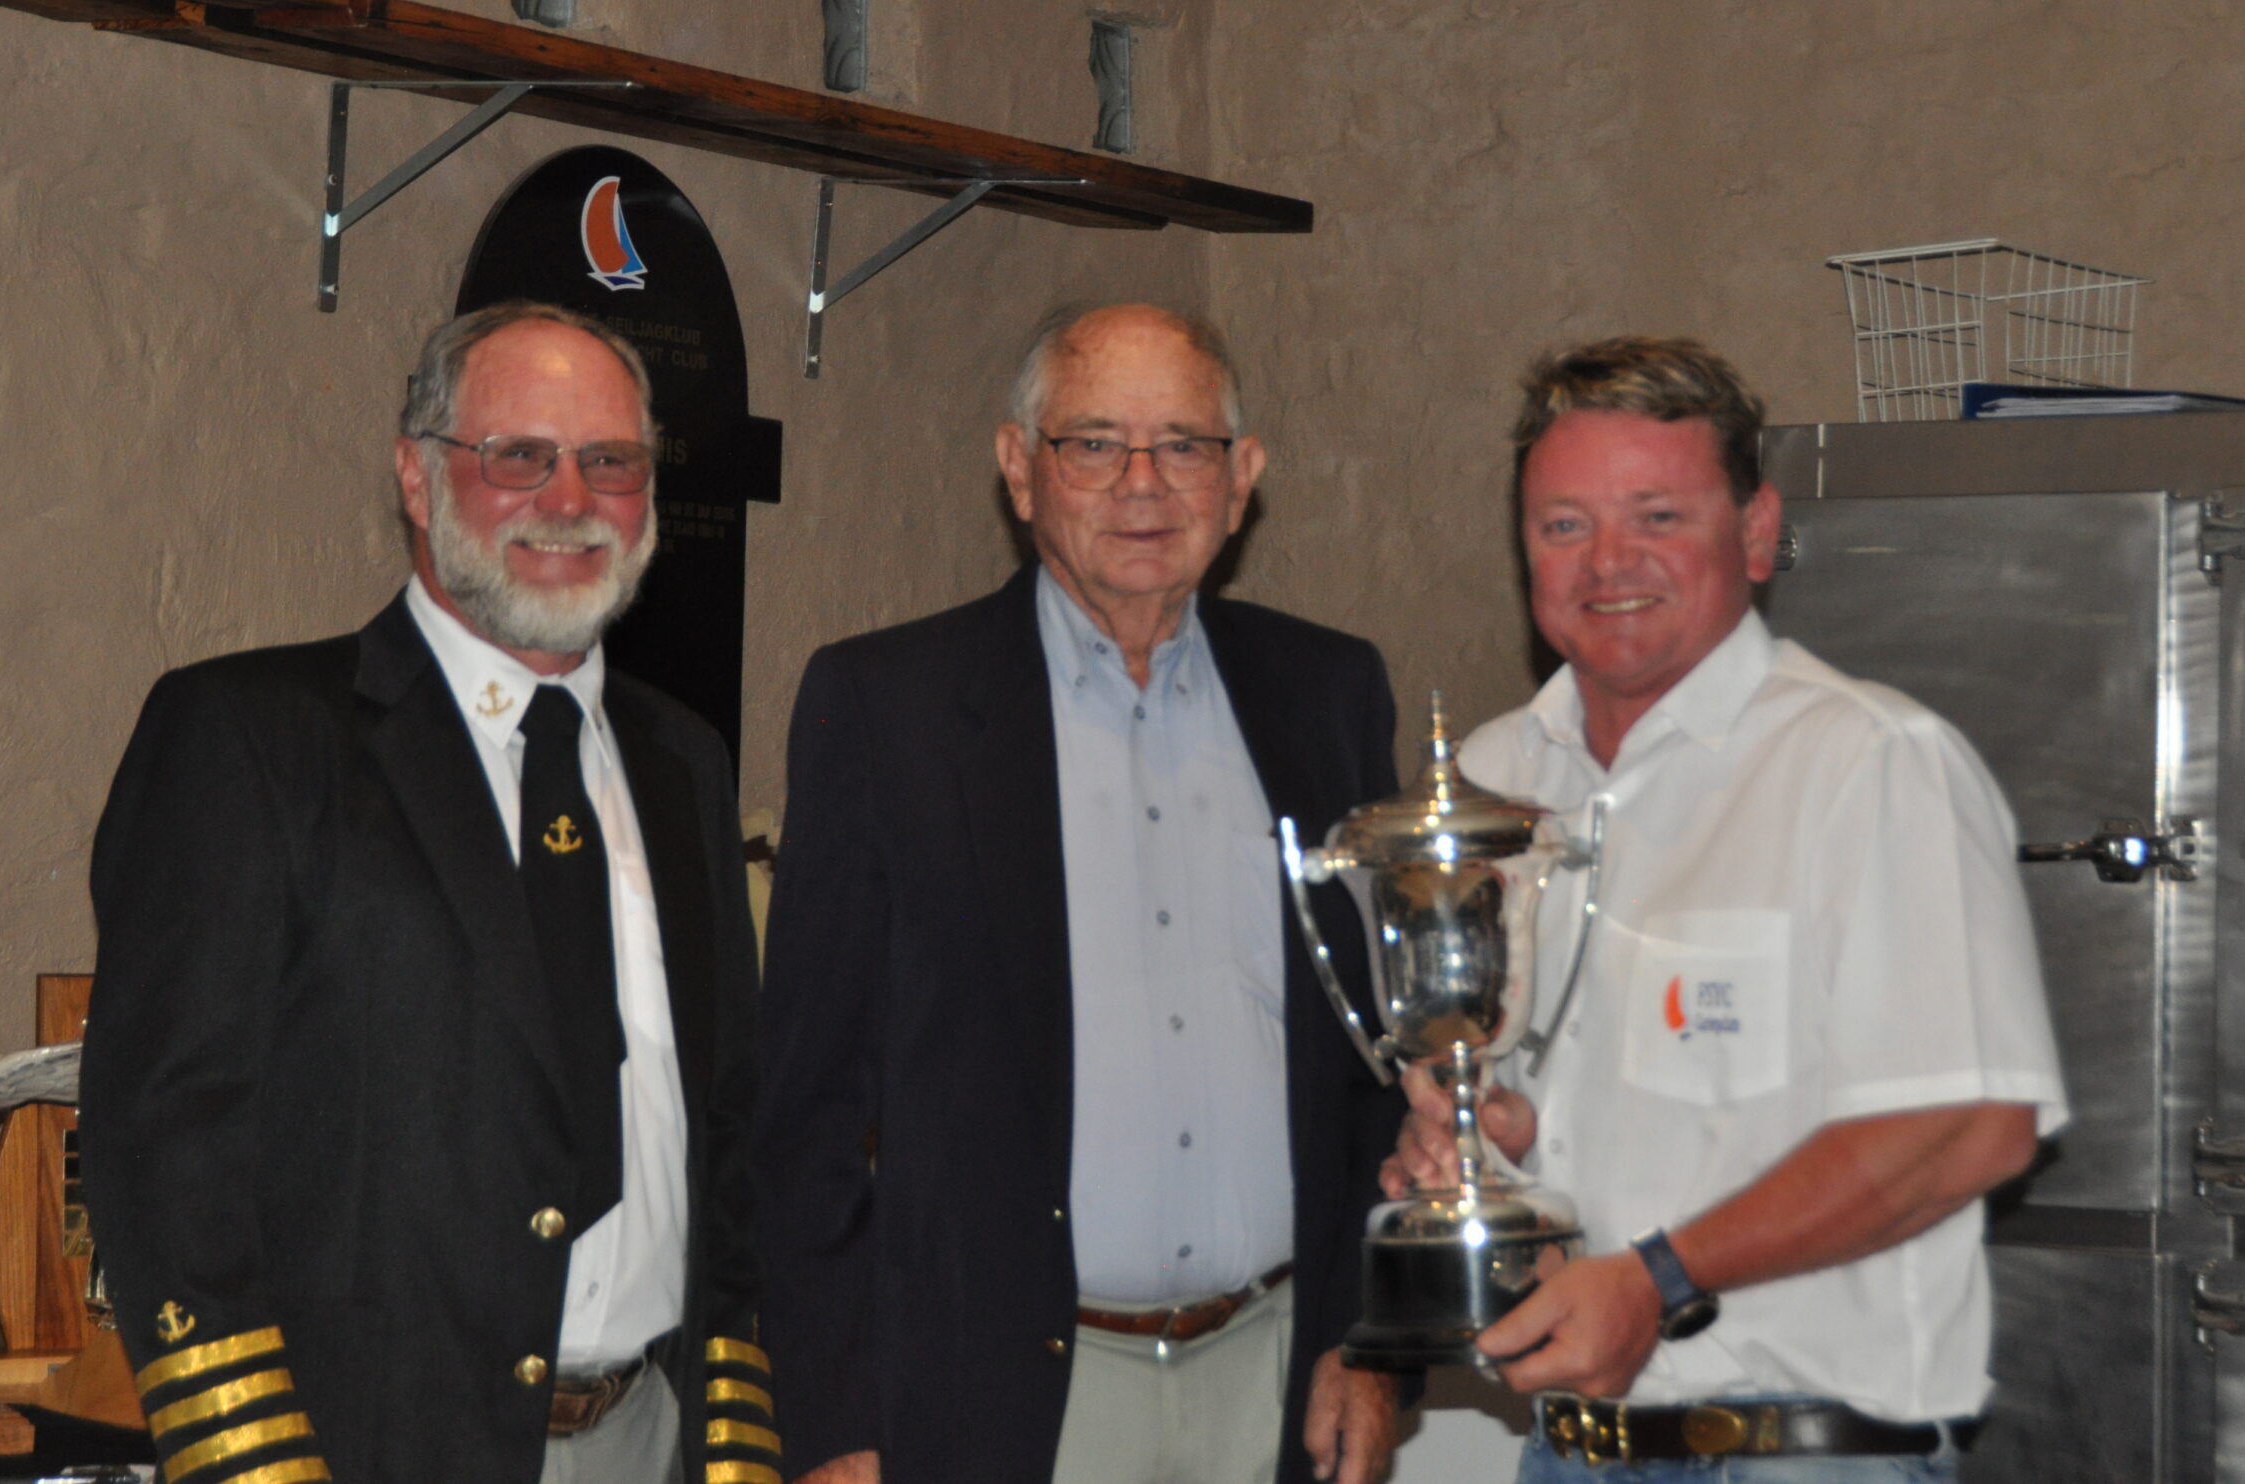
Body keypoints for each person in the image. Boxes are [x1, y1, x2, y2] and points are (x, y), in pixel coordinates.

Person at [79, 300, 774, 1484]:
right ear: (416, 475)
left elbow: (729, 1126)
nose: (570, 498)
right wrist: (253, 1461)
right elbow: (167, 1142)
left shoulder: (681, 760)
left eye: (610, 460)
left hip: (653, 1438)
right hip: (362, 1449)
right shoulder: (253, 741)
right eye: (519, 455)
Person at [1386, 337, 2066, 1480]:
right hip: (1569, 1449)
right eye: (1564, 524)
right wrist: (1478, 1144)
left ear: (1755, 532)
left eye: (1656, 516)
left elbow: (1970, 1123)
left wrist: (1658, 1276)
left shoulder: (1870, 760)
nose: (1608, 561)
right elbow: (1551, 1113)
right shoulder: (1495, 779)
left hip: (1804, 1453)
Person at [756, 304, 1406, 1484]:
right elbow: (806, 1107)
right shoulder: (889, 710)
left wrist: (1370, 1340)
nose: (1141, 484)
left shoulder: (1329, 694)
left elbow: (1376, 1071)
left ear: (1242, 477)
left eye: (1184, 445)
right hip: (1005, 1399)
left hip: (1277, 1375)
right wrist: (834, 1421)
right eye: (1093, 443)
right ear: (1019, 467)